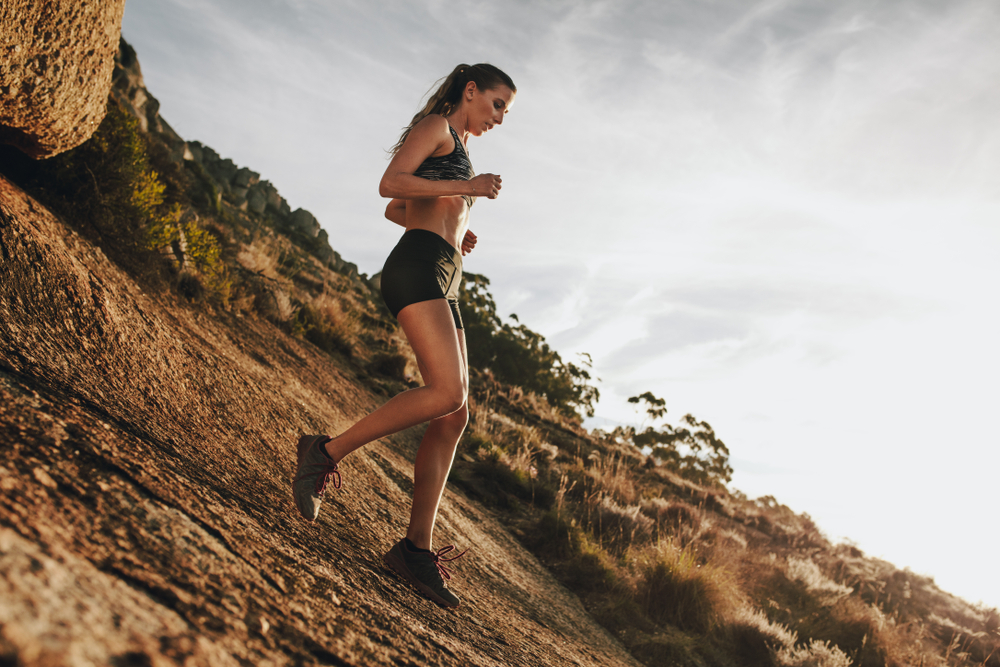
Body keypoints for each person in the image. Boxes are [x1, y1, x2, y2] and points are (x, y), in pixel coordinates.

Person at [292, 63, 516, 608]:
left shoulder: (458, 142)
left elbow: (402, 207)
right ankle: (324, 452)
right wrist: (466, 189)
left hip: (444, 270)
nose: (500, 118)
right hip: (416, 268)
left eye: (506, 110)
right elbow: (388, 185)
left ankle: (414, 549)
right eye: (497, 104)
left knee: (455, 413)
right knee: (445, 392)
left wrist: (453, 228)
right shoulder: (437, 127)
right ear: (470, 92)